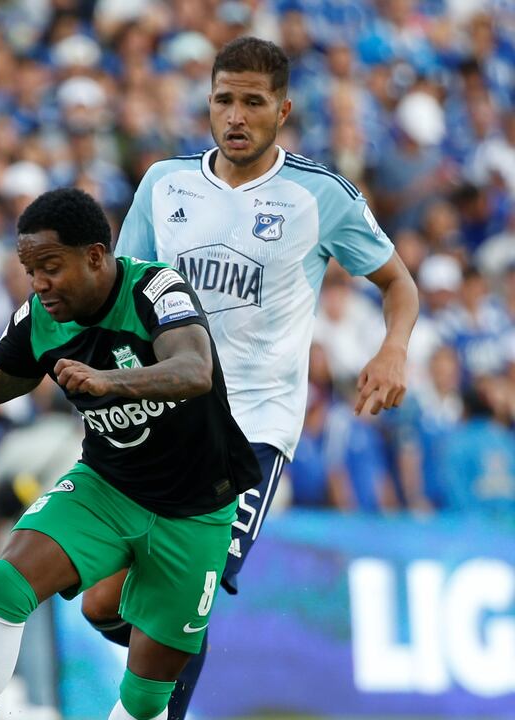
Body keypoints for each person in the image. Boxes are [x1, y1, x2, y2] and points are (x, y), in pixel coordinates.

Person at [0, 187, 261, 720]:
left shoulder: (155, 288)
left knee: (147, 700)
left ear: (95, 257)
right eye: (30, 270)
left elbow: (195, 370)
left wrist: (109, 382)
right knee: (7, 579)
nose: (38, 283)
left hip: (196, 509)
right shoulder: (40, 318)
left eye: (51, 268)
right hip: (108, 488)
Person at [96, 36, 420, 718]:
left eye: (253, 102)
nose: (236, 116)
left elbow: (399, 283)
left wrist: (392, 349)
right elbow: (123, 298)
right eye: (224, 100)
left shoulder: (319, 195)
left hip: (253, 429)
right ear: (208, 103)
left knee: (190, 587)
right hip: (163, 418)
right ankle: (165, 653)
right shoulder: (165, 184)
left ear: (283, 110)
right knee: (108, 601)